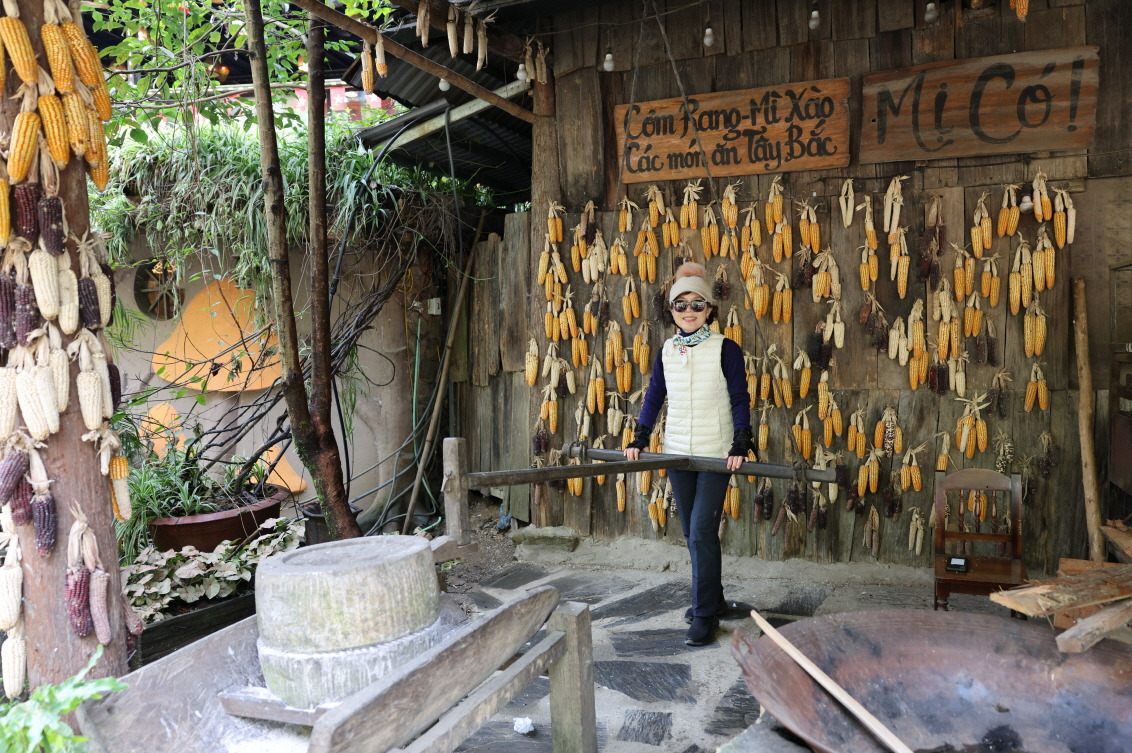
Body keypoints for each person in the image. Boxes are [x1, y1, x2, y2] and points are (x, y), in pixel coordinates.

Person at [624, 262, 754, 646]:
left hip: (715, 454)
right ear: (671, 310)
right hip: (678, 454)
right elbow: (654, 396)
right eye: (681, 305)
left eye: (698, 304)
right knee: (692, 532)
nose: (689, 311)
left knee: (701, 531)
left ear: (710, 309)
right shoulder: (667, 351)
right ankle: (712, 599)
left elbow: (740, 398)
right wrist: (640, 437)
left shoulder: (726, 349)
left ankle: (704, 615)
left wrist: (741, 441)